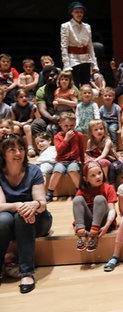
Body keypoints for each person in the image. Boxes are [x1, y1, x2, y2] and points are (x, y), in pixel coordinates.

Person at [0, 134, 52, 293]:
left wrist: (33, 206)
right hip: (11, 220)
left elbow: (42, 204)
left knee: (23, 218)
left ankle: (27, 272)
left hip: (38, 219)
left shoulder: (33, 170)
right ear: (3, 153)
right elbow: (0, 206)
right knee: (2, 220)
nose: (18, 153)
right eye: (12, 150)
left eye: (21, 149)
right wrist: (19, 206)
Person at [72, 161, 117, 252]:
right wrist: (78, 225)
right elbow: (78, 208)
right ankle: (82, 235)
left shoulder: (108, 188)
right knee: (77, 199)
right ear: (85, 179)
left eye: (99, 173)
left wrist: (107, 226)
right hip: (89, 221)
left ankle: (94, 235)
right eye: (93, 175)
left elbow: (112, 210)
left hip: (102, 223)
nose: (98, 177)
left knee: (99, 199)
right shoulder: (83, 189)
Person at [47, 112, 84, 202]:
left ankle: (80, 191)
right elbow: (59, 151)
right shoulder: (57, 137)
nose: (69, 128)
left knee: (72, 170)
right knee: (57, 171)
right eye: (66, 125)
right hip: (61, 161)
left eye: (71, 125)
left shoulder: (79, 135)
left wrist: (83, 163)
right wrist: (66, 139)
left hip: (74, 161)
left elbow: (82, 150)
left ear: (75, 124)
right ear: (60, 125)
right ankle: (49, 192)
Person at [60, 1, 98, 86]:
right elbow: (64, 47)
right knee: (75, 86)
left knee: (86, 85)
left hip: (85, 59)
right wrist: (66, 65)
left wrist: (94, 64)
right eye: (76, 12)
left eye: (81, 12)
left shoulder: (87, 26)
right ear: (72, 13)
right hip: (73, 60)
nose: (79, 14)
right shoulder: (66, 26)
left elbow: (90, 46)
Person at [85, 119, 123, 186]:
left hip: (110, 160)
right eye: (96, 130)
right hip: (96, 159)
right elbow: (88, 153)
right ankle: (90, 183)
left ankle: (106, 180)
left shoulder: (107, 141)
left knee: (102, 162)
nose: (99, 131)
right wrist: (89, 160)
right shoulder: (90, 141)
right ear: (91, 132)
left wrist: (94, 161)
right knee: (87, 162)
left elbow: (104, 155)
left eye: (101, 128)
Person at [10, 89, 36, 157]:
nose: (24, 98)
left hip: (27, 124)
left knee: (26, 127)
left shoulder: (31, 106)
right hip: (18, 124)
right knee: (16, 128)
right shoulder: (13, 107)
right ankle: (16, 146)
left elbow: (31, 118)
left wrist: (25, 122)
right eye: (21, 97)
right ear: (16, 98)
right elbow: (12, 120)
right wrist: (18, 123)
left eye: (26, 96)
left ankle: (30, 147)